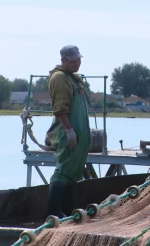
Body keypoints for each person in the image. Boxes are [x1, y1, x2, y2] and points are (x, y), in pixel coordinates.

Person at [45, 45, 91, 218]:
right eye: (73, 60)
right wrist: (69, 130)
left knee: (74, 172)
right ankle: (54, 214)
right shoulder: (59, 78)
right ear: (63, 60)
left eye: (78, 59)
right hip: (67, 134)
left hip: (79, 135)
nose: (77, 63)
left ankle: (67, 211)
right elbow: (60, 108)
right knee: (63, 171)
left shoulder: (73, 78)